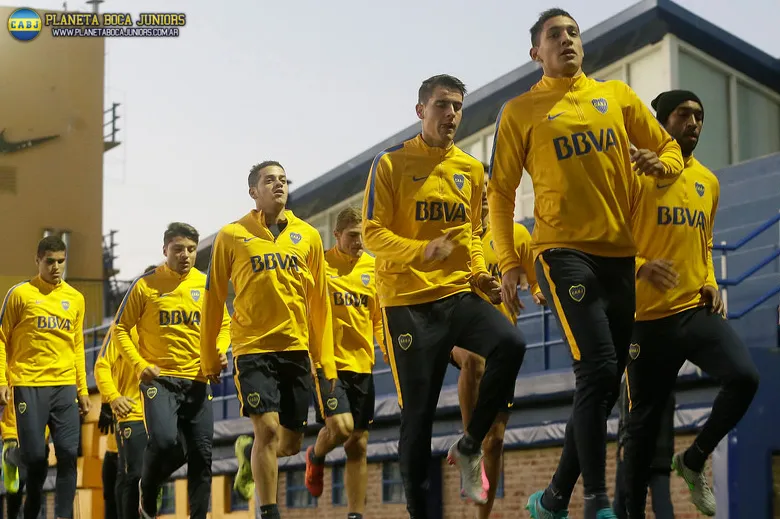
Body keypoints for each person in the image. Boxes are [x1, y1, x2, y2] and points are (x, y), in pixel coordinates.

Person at [487, 8, 685, 518]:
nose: (567, 40)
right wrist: (509, 262)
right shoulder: (520, 111)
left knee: (602, 384)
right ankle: (597, 502)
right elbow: (501, 192)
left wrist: (658, 163)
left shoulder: (616, 97)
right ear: (537, 52)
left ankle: (552, 499)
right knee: (595, 369)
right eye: (555, 35)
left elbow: (668, 148)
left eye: (573, 32)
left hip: (621, 257)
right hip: (561, 254)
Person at [361, 74, 527, 519]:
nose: (451, 114)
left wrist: (477, 275)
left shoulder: (471, 170)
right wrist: (420, 250)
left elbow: (473, 233)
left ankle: (470, 445)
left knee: (511, 343)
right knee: (417, 418)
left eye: (456, 106)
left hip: (457, 296)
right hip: (406, 304)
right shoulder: (391, 163)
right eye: (442, 105)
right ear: (421, 111)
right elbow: (371, 233)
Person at [621, 89, 759, 518]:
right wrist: (640, 266)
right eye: (683, 115)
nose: (694, 123)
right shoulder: (634, 173)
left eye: (699, 116)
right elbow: (607, 239)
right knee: (640, 434)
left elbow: (705, 241)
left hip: (694, 310)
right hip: (646, 321)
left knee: (744, 377)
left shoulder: (708, 181)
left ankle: (695, 459)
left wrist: (712, 280)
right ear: (661, 121)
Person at [200, 161, 337, 519]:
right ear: (253, 192)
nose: (278, 185)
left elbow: (320, 301)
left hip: (296, 348)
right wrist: (209, 355)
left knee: (289, 444)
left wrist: (327, 360)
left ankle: (249, 453)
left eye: (283, 180)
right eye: (269, 180)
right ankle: (269, 511)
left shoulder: (308, 236)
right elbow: (214, 299)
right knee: (269, 429)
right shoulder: (231, 235)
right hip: (252, 349)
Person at [114, 223, 231, 519]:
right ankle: (148, 486)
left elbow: (225, 325)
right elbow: (121, 329)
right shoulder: (145, 285)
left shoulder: (206, 285)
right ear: (165, 250)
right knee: (165, 441)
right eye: (178, 249)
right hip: (160, 380)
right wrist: (139, 365)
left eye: (191, 249)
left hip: (197, 380)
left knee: (202, 456)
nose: (186, 255)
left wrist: (220, 350)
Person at [449, 165, 544, 519]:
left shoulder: (516, 234)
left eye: (490, 189)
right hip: (463, 334)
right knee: (473, 361)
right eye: (480, 189)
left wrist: (536, 292)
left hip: (501, 343)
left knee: (498, 440)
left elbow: (533, 277)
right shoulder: (459, 235)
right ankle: (467, 441)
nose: (485, 196)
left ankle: (482, 516)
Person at [301, 206, 385, 519]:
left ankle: (355, 514)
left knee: (358, 446)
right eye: (352, 236)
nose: (358, 241)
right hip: (327, 363)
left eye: (362, 235)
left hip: (362, 365)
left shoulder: (373, 268)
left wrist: (386, 348)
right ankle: (315, 454)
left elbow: (377, 318)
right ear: (336, 235)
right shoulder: (320, 265)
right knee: (341, 427)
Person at [0, 235, 91, 519]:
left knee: (67, 454)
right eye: (49, 261)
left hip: (64, 386)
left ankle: (63, 516)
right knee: (36, 458)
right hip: (28, 385)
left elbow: (77, 345)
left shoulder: (76, 299)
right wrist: (3, 381)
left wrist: (83, 389)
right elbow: (1, 339)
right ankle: (9, 456)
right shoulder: (20, 295)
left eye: (61, 262)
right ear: (37, 260)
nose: (56, 267)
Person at [612, 378, 675, 519]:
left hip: (635, 451)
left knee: (622, 506)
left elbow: (627, 414)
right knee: (662, 505)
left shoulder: (632, 375)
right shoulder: (667, 375)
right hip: (661, 455)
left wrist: (624, 443)